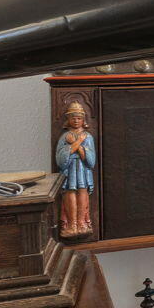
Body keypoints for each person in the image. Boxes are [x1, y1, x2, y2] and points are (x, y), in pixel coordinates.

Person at [55, 100, 97, 235]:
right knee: (70, 193)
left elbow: (91, 160)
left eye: (79, 118)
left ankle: (81, 223)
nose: (76, 121)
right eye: (73, 118)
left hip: (83, 170)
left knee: (82, 194)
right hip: (69, 170)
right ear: (68, 119)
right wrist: (78, 142)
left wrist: (75, 145)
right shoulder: (64, 137)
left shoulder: (88, 137)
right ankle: (71, 224)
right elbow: (60, 159)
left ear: (83, 119)